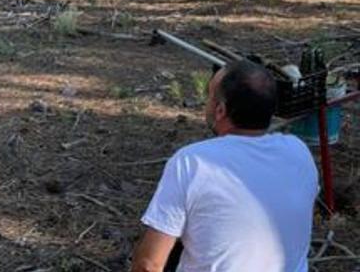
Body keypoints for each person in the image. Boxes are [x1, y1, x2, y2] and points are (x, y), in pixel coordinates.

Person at [131, 60, 318, 272]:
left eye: (209, 96)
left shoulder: (192, 162)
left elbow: (148, 265)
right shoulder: (299, 152)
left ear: (220, 110)